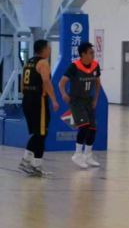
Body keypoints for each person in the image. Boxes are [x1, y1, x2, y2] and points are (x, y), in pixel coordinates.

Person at [19, 40, 60, 177]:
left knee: (39, 133)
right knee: (41, 133)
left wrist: (26, 97)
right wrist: (54, 100)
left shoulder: (28, 62)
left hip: (27, 99)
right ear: (43, 49)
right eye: (49, 48)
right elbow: (46, 82)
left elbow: (22, 83)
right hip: (38, 101)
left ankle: (34, 164)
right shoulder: (43, 63)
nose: (50, 50)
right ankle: (27, 162)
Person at [59, 42, 102, 169]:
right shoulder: (74, 66)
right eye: (90, 53)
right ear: (83, 54)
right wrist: (64, 94)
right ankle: (77, 154)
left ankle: (88, 155)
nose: (93, 55)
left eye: (93, 52)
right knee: (84, 126)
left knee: (92, 129)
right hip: (76, 100)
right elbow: (61, 82)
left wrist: (96, 98)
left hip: (89, 100)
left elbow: (98, 83)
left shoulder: (95, 66)